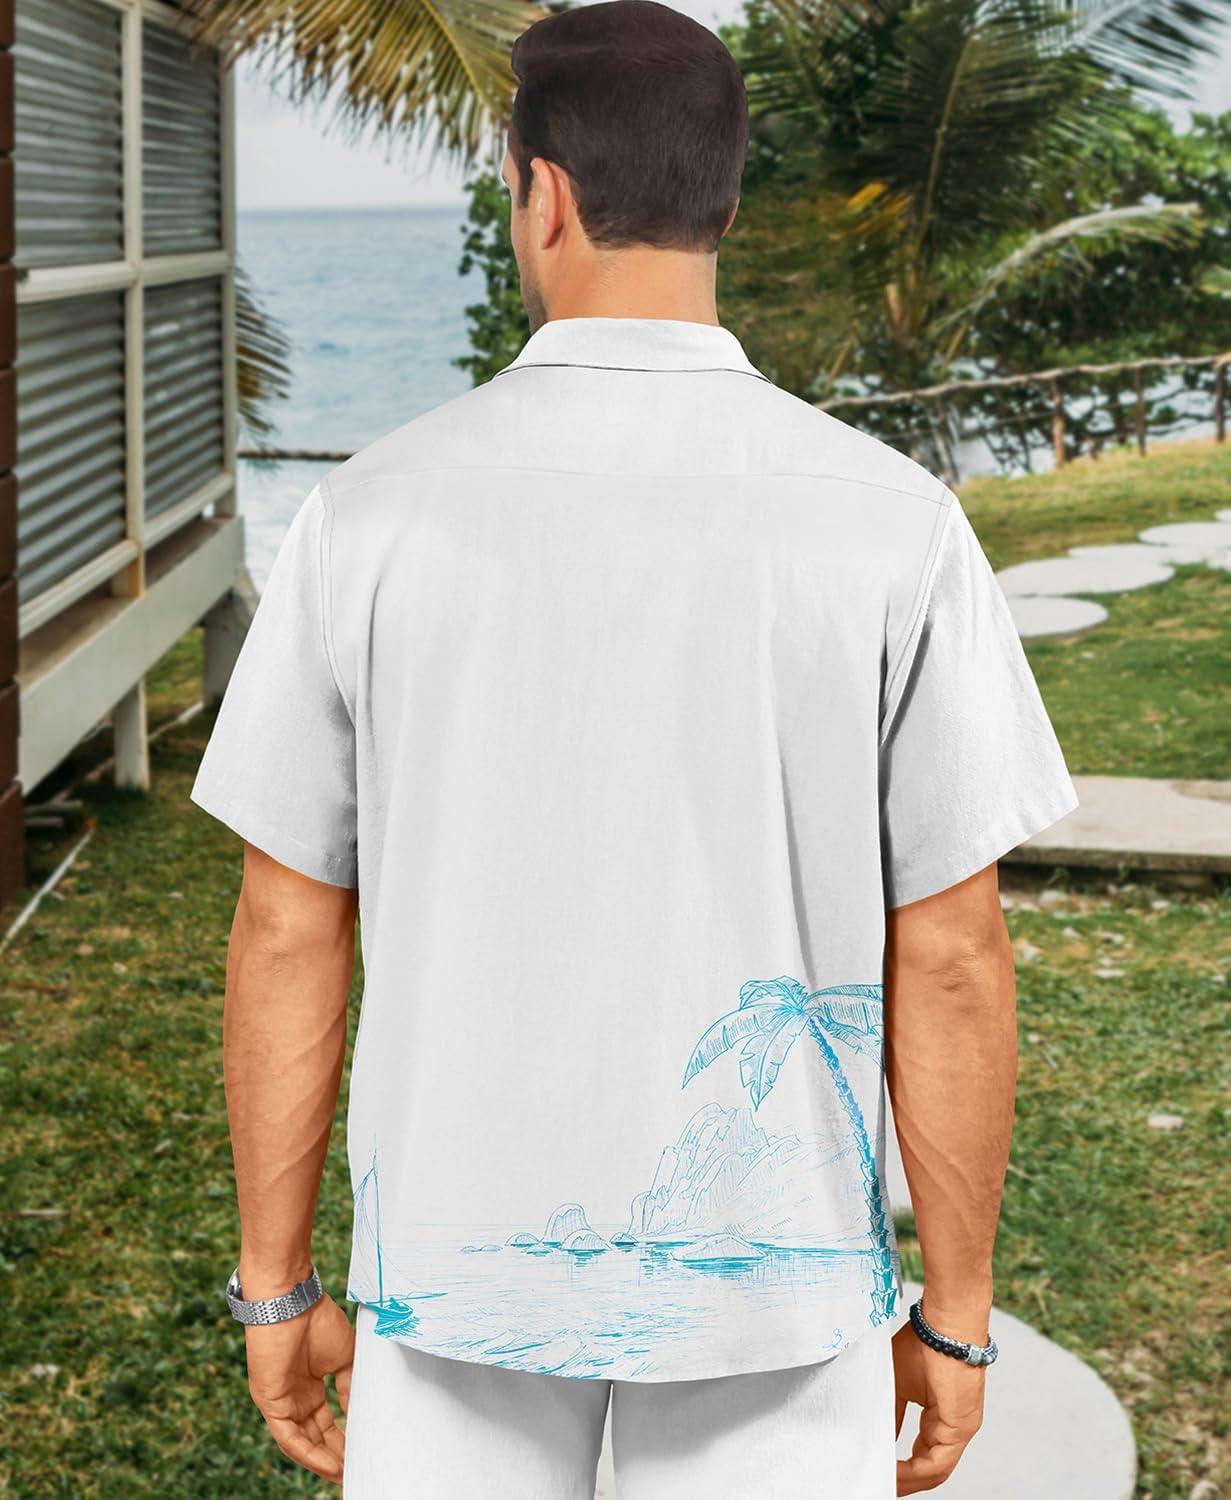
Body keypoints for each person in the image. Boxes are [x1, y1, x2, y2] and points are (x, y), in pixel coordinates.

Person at [191, 2, 1078, 1495]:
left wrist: (276, 1290)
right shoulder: (894, 525)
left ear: (540, 194)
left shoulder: (368, 518)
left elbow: (288, 927)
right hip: (782, 1303)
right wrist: (958, 1314)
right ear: (724, 201)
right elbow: (951, 954)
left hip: (454, 1288)